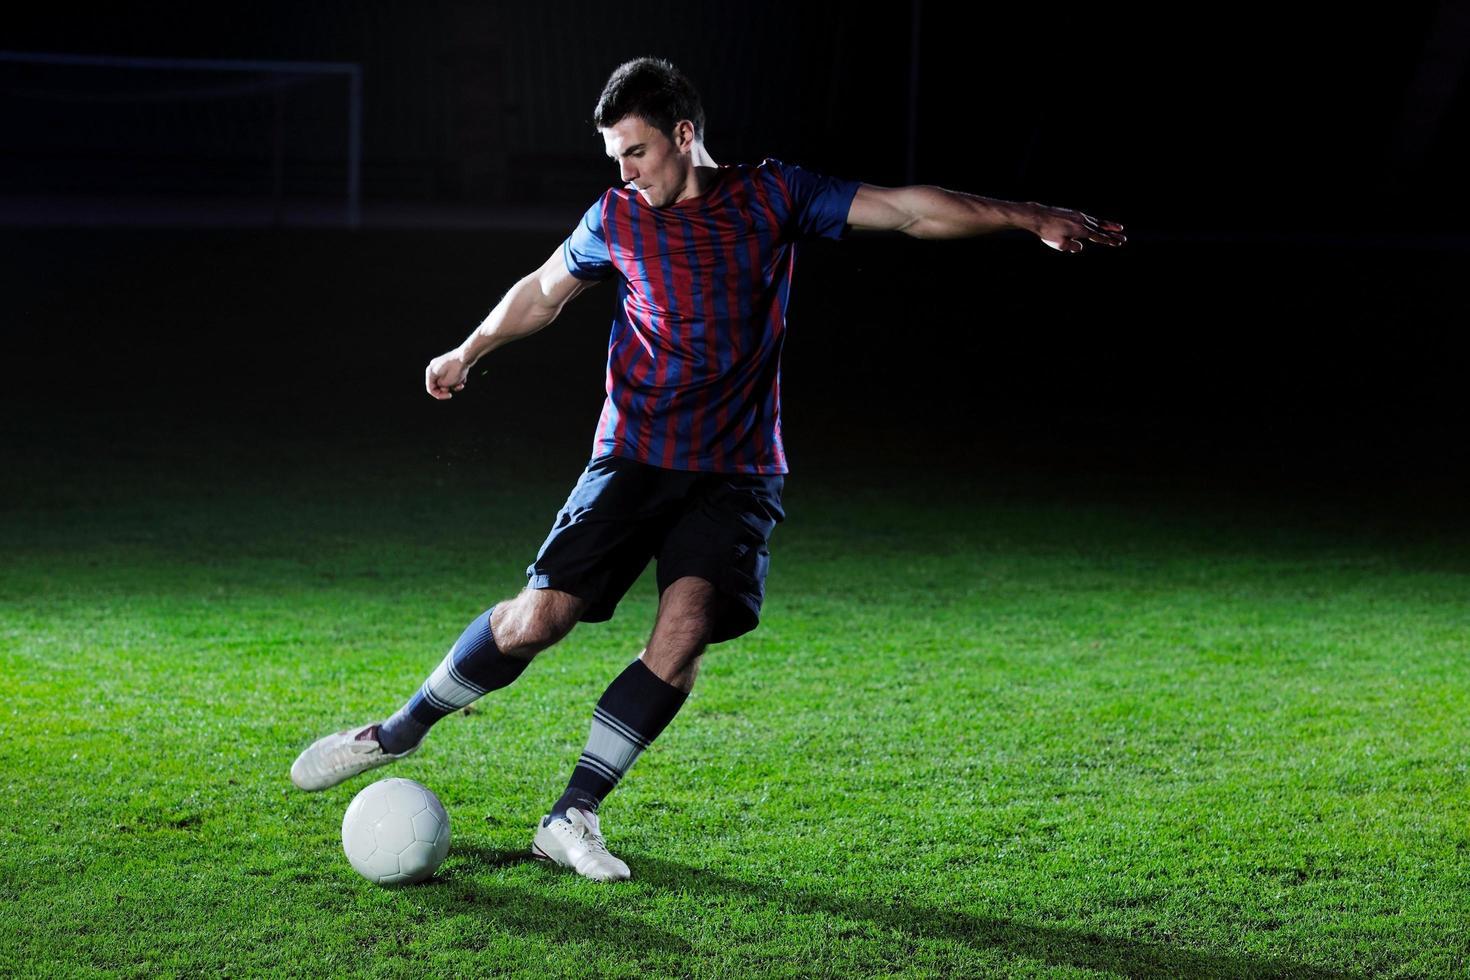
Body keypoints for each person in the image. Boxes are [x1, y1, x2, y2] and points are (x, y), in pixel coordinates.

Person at [290, 56, 1125, 883]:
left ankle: (571, 813)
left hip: (737, 469)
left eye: (637, 152)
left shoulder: (772, 195)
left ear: (684, 135)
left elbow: (906, 212)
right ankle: (396, 732)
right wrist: (468, 350)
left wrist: (1026, 215)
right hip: (633, 455)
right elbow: (544, 290)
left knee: (684, 632)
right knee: (536, 622)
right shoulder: (615, 217)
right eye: (615, 156)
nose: (624, 171)